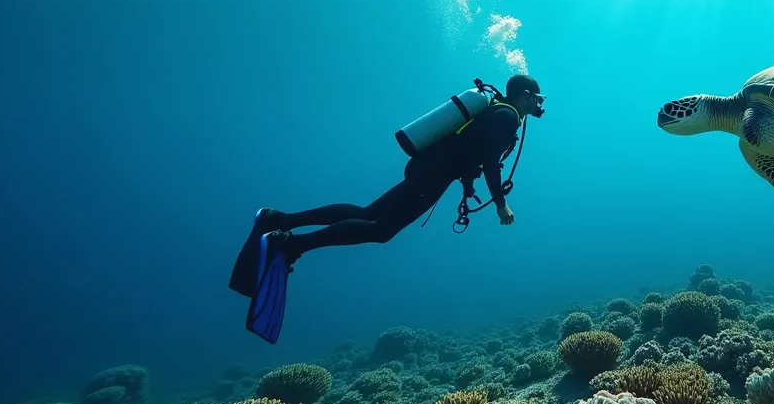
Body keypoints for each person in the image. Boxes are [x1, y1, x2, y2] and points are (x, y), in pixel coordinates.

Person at [228, 74, 545, 343]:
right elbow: (489, 161)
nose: (539, 105)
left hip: (426, 169)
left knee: (368, 215)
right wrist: (501, 205)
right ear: (526, 95)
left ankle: (279, 220)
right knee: (381, 231)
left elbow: (472, 152)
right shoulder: (505, 117)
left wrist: (466, 184)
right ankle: (291, 245)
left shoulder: (494, 112)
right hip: (432, 177)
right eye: (537, 98)